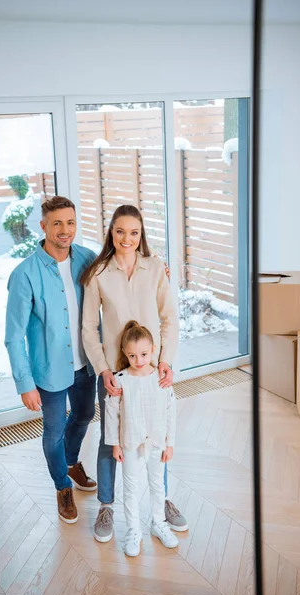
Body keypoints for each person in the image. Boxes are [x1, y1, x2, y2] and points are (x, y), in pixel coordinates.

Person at [81, 204, 188, 543]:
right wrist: (102, 370)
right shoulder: (98, 273)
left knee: (156, 434)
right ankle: (107, 505)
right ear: (110, 232)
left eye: (134, 232)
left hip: (152, 369)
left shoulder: (156, 268)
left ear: (141, 235)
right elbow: (88, 328)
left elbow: (169, 318)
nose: (127, 238)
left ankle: (162, 502)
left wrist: (166, 360)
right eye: (120, 231)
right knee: (110, 437)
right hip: (115, 373)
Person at [5, 196, 98, 525]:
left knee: (85, 414)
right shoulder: (24, 275)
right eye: (57, 223)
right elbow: (13, 336)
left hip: (86, 361)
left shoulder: (88, 258)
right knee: (54, 431)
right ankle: (62, 486)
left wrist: (156, 268)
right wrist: (25, 384)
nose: (65, 230)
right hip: (48, 371)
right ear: (43, 226)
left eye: (70, 222)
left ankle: (71, 462)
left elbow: (121, 272)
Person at [105, 320, 179, 557]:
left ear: (153, 350)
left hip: (157, 443)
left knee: (158, 485)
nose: (139, 360)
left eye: (144, 354)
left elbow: (171, 411)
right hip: (129, 444)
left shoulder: (160, 379)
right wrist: (115, 444)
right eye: (133, 356)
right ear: (125, 355)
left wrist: (170, 444)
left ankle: (159, 523)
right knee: (131, 488)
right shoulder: (120, 380)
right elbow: (111, 414)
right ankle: (133, 529)